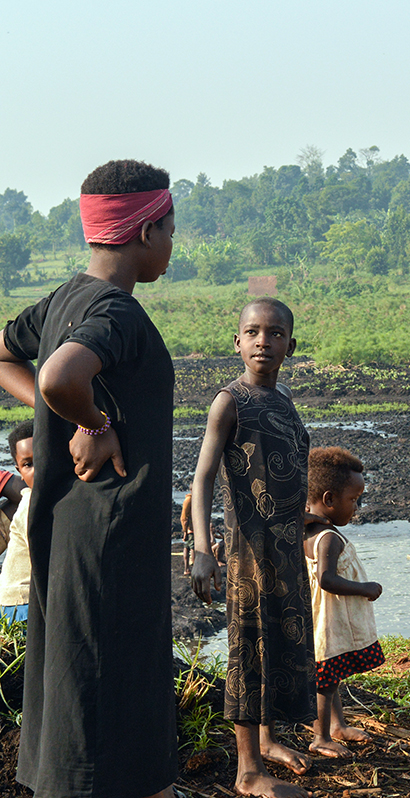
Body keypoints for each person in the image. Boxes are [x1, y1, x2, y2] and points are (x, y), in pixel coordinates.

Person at [0, 159, 177, 798]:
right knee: (110, 681)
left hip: (67, 525)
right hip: (110, 532)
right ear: (144, 230)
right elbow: (58, 378)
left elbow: (5, 353)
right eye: (171, 228)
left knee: (75, 675)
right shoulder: (115, 310)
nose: (173, 243)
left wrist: (63, 418)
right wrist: (94, 423)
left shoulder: (63, 298)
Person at [191, 297, 316, 798]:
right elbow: (201, 479)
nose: (264, 340)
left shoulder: (283, 401)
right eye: (254, 331)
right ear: (237, 342)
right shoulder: (230, 401)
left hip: (285, 549)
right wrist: (203, 548)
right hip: (248, 550)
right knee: (249, 648)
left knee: (281, 645)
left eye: (275, 332)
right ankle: (247, 772)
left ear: (290, 344)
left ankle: (269, 741)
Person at [304, 446, 383, 758]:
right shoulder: (328, 538)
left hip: (321, 618)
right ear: (328, 500)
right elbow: (326, 579)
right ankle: (321, 737)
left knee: (331, 677)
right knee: (325, 682)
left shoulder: (308, 530)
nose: (356, 507)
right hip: (329, 620)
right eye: (353, 499)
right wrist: (366, 587)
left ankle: (337, 726)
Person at [0, 421, 35, 623]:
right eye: (29, 464)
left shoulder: (29, 499)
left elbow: (18, 490)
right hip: (21, 604)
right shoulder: (31, 503)